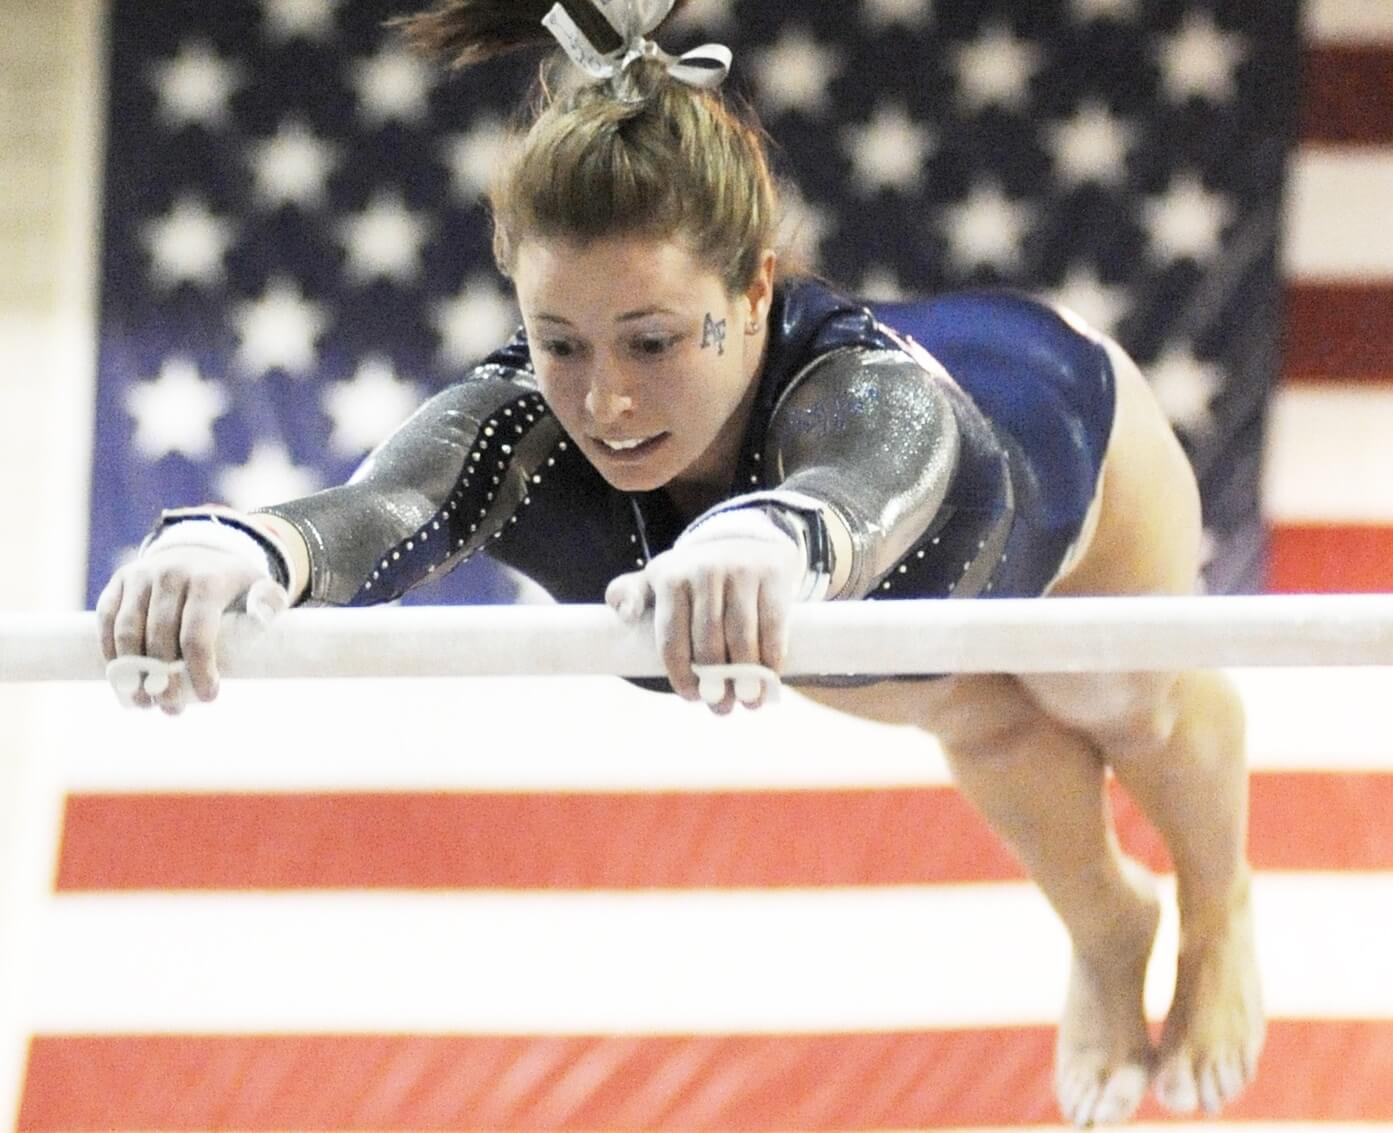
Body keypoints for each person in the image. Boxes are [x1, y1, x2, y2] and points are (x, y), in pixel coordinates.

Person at [95, 0, 1264, 1124]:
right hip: (913, 621)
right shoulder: (530, 423)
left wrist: (779, 532)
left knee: (1110, 699)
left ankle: (1218, 905)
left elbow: (883, 457)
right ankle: (1111, 931)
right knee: (979, 718)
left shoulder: (861, 388)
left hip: (1073, 455)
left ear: (757, 285)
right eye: (559, 342)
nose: (605, 399)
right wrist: (245, 544)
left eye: (652, 340)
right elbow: (391, 502)